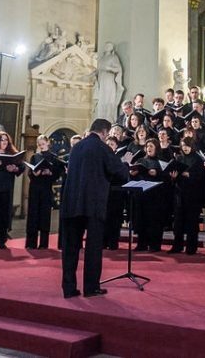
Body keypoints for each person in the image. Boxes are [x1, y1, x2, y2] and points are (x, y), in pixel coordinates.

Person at [60, 119, 129, 298]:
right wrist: (126, 164)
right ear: (105, 132)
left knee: (71, 247)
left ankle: (69, 288)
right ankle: (91, 288)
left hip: (72, 203)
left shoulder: (76, 148)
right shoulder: (102, 148)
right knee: (93, 247)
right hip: (93, 204)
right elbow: (120, 174)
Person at [25, 135, 65, 250]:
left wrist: (50, 173)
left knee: (44, 215)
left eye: (43, 143)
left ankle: (43, 243)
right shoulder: (35, 156)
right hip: (35, 187)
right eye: (39, 144)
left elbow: (57, 173)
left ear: (48, 143)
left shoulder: (54, 157)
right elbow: (30, 173)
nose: (41, 146)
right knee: (33, 214)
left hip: (46, 188)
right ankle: (31, 243)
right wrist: (34, 174)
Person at [170, 135, 205, 255]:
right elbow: (174, 175)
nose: (185, 148)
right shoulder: (179, 158)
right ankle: (177, 246)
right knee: (178, 222)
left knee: (192, 222)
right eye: (183, 146)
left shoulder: (198, 159)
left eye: (187, 146)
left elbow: (202, 177)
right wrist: (174, 177)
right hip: (179, 194)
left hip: (193, 195)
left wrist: (190, 175)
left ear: (192, 146)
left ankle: (191, 247)